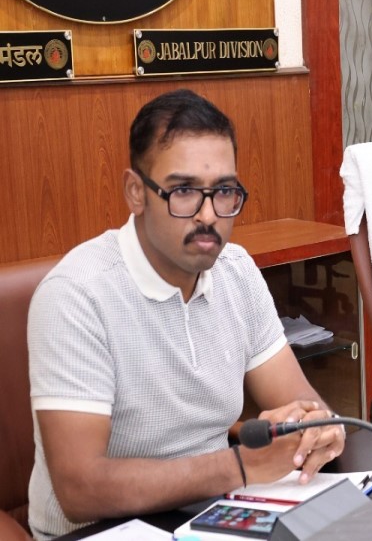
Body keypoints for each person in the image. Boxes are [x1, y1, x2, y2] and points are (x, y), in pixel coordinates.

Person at [27, 90, 344, 540]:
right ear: (136, 192)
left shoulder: (236, 270)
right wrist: (239, 466)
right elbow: (80, 488)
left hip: (214, 516)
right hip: (96, 531)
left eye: (224, 192)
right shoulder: (77, 295)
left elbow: (304, 403)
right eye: (184, 192)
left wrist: (320, 431)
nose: (209, 215)